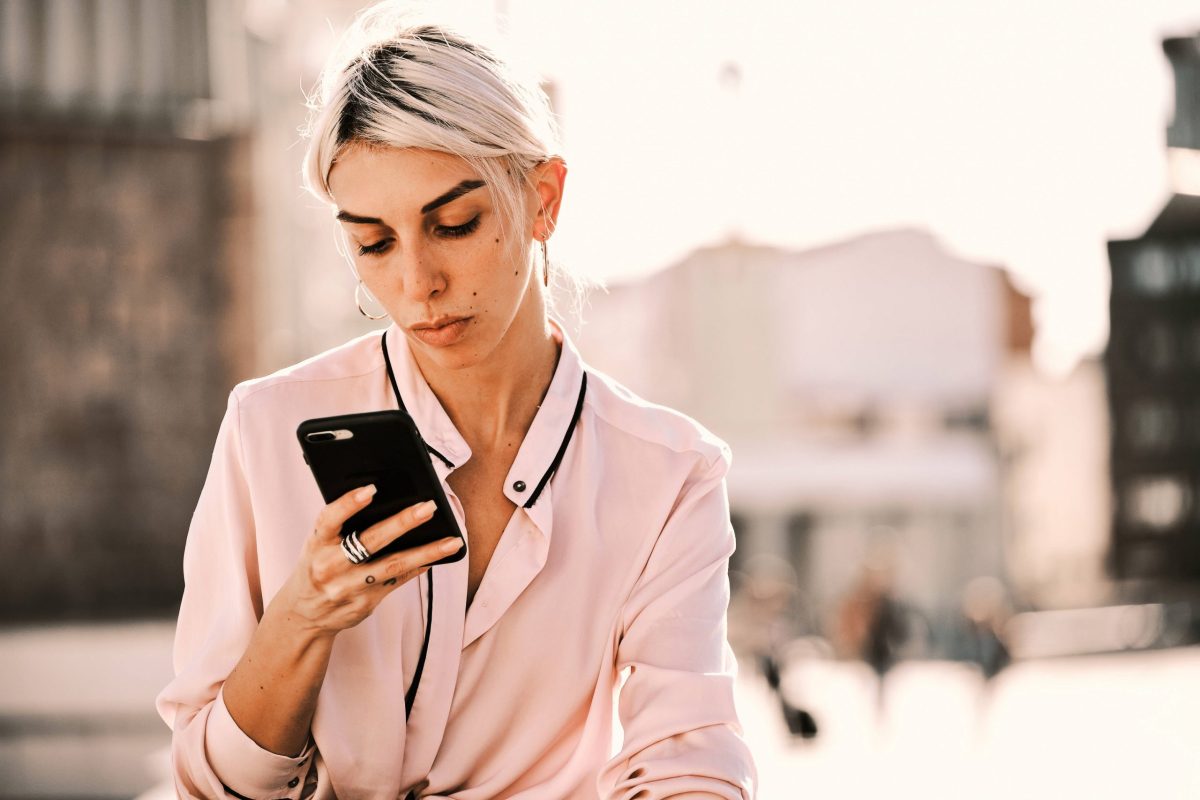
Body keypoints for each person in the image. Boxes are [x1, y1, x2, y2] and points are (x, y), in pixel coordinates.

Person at [155, 5, 756, 799]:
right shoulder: (268, 431)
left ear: (544, 198)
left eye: (455, 224)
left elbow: (690, 764)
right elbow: (215, 783)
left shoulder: (669, 476)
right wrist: (304, 615)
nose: (416, 284)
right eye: (373, 243)